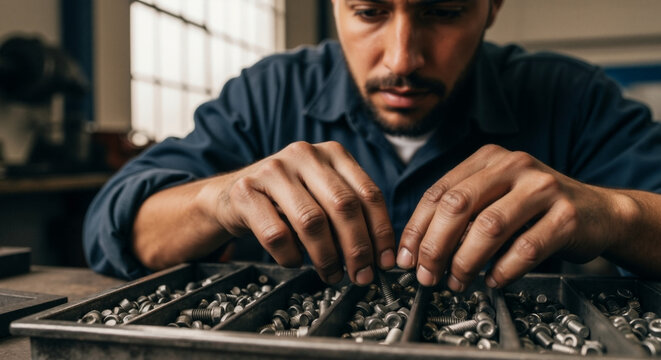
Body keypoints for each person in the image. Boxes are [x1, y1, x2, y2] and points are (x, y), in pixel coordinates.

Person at [84, 0, 661, 291]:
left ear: (492, 7)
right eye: (368, 11)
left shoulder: (572, 95)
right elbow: (114, 227)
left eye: (444, 11)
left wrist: (613, 213)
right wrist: (218, 200)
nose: (403, 59)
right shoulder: (268, 92)